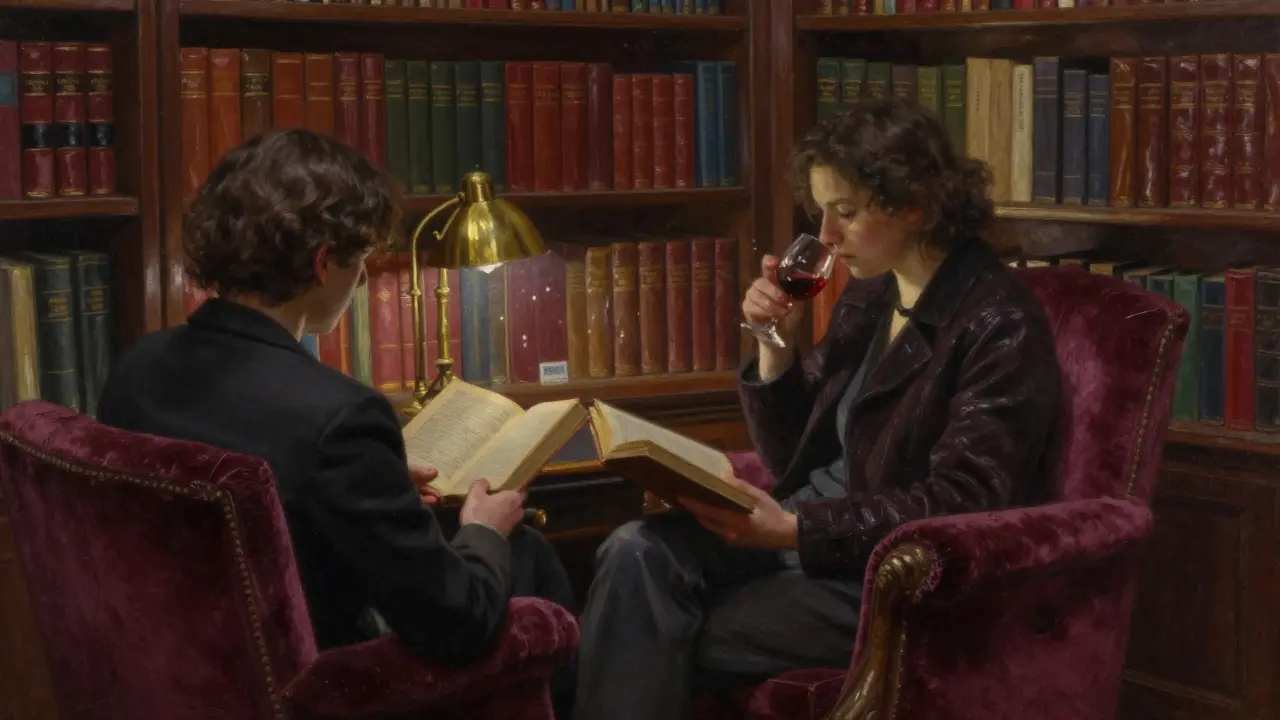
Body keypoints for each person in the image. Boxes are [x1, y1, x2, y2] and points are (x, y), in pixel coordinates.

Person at [572, 98, 1064, 719]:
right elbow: (794, 453)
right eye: (821, 213)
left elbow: (965, 502)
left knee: (662, 621)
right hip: (806, 531)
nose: (825, 238)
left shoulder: (997, 323)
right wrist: (774, 346)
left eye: (847, 214)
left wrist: (800, 530)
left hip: (884, 575)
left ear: (914, 204)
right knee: (633, 551)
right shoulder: (871, 292)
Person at [96, 130, 577, 710]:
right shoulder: (339, 415)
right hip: (316, 683)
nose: (365, 279)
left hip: (173, 677)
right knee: (524, 555)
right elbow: (457, 625)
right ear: (324, 262)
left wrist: (377, 489)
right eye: (364, 261)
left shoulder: (135, 370)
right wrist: (481, 528)